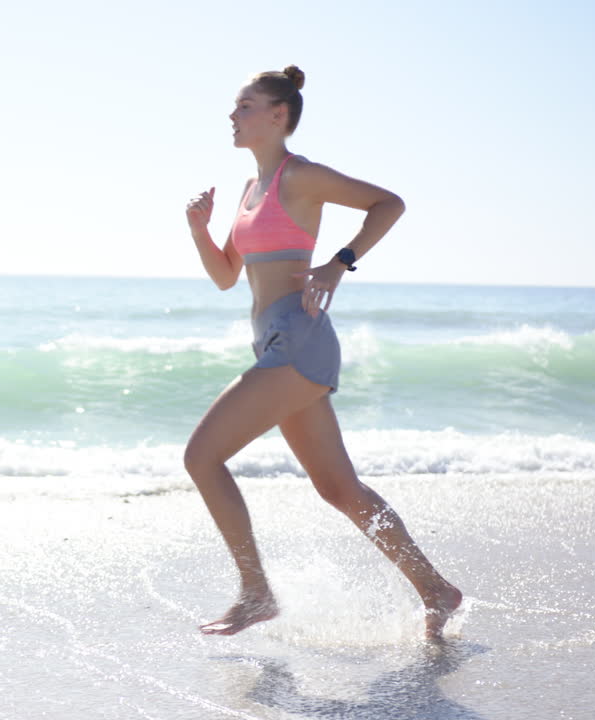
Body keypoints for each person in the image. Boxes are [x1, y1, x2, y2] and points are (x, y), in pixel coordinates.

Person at [183, 65, 462, 639]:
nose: (232, 116)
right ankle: (436, 589)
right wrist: (198, 229)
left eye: (244, 106)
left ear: (277, 114)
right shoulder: (249, 191)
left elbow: (388, 203)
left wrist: (339, 263)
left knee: (201, 457)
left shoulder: (299, 176)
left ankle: (256, 592)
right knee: (339, 489)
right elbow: (225, 276)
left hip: (298, 339)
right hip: (273, 340)